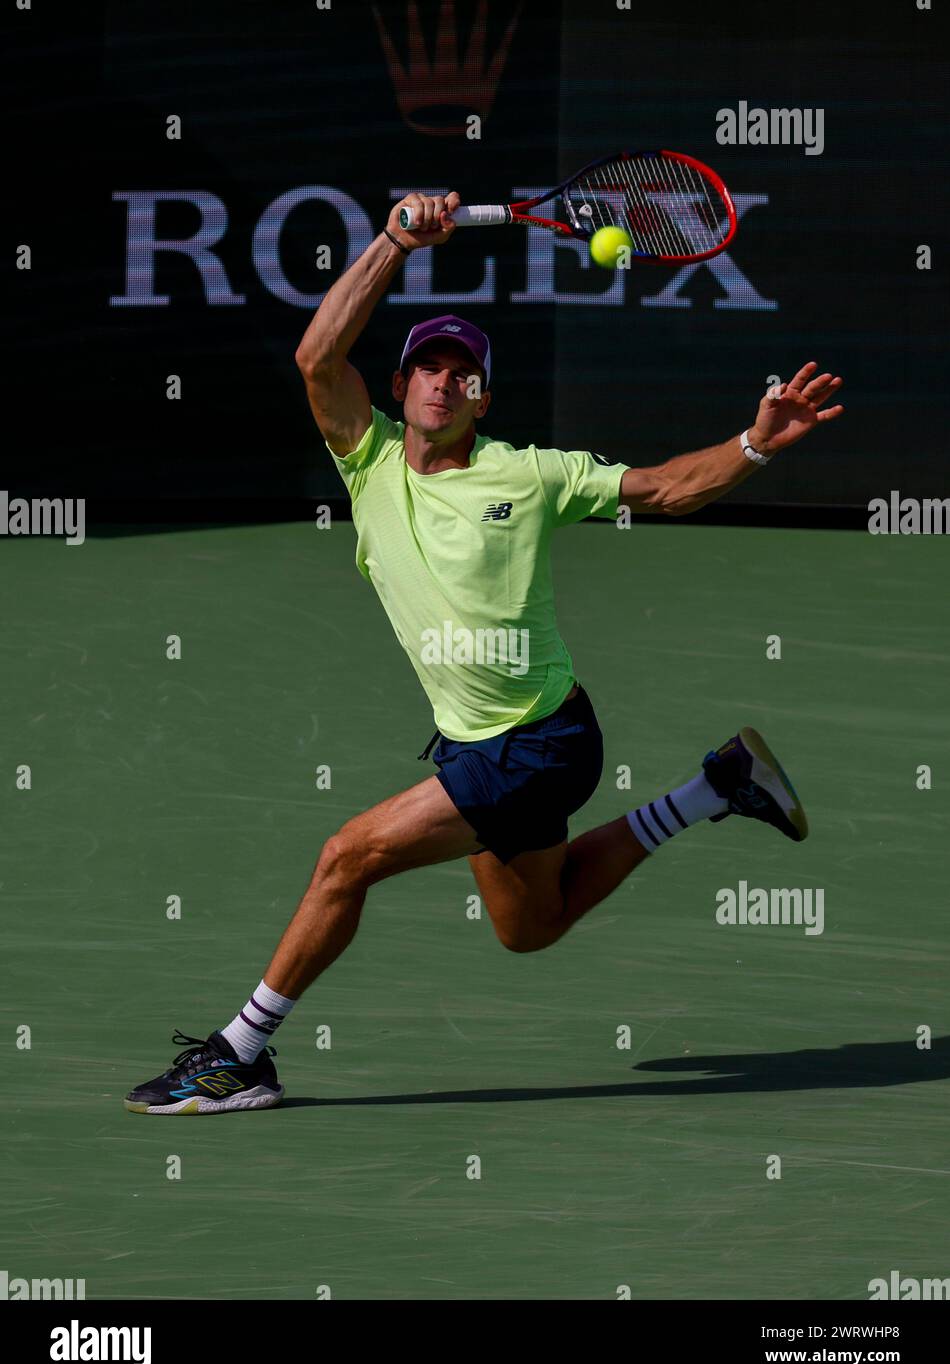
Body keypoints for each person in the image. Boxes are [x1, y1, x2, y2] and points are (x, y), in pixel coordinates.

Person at [125, 190, 844, 1115]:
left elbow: (664, 488)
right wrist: (393, 241)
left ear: (484, 397)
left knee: (347, 857)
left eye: (464, 374)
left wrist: (754, 445)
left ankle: (241, 1053)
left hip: (542, 742)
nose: (443, 382)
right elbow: (316, 356)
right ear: (400, 387)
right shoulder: (368, 461)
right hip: (473, 743)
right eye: (429, 366)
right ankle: (718, 784)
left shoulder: (531, 473)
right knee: (530, 927)